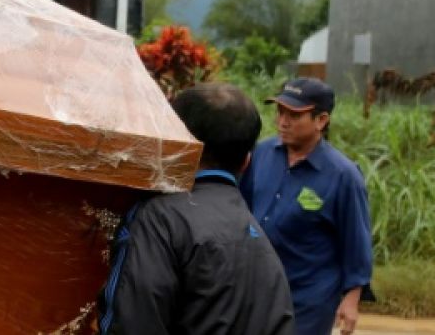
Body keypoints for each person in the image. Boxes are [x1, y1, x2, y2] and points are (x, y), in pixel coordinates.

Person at [98, 82, 294, 335]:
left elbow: (131, 323)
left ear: (175, 145)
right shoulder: (257, 236)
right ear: (247, 161)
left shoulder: (158, 219)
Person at [241, 78, 373, 335]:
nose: (282, 121)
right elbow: (241, 208)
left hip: (309, 297)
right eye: (280, 112)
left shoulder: (343, 176)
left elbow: (356, 239)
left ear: (321, 120)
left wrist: (352, 298)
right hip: (258, 286)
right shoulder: (260, 154)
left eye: (294, 115)